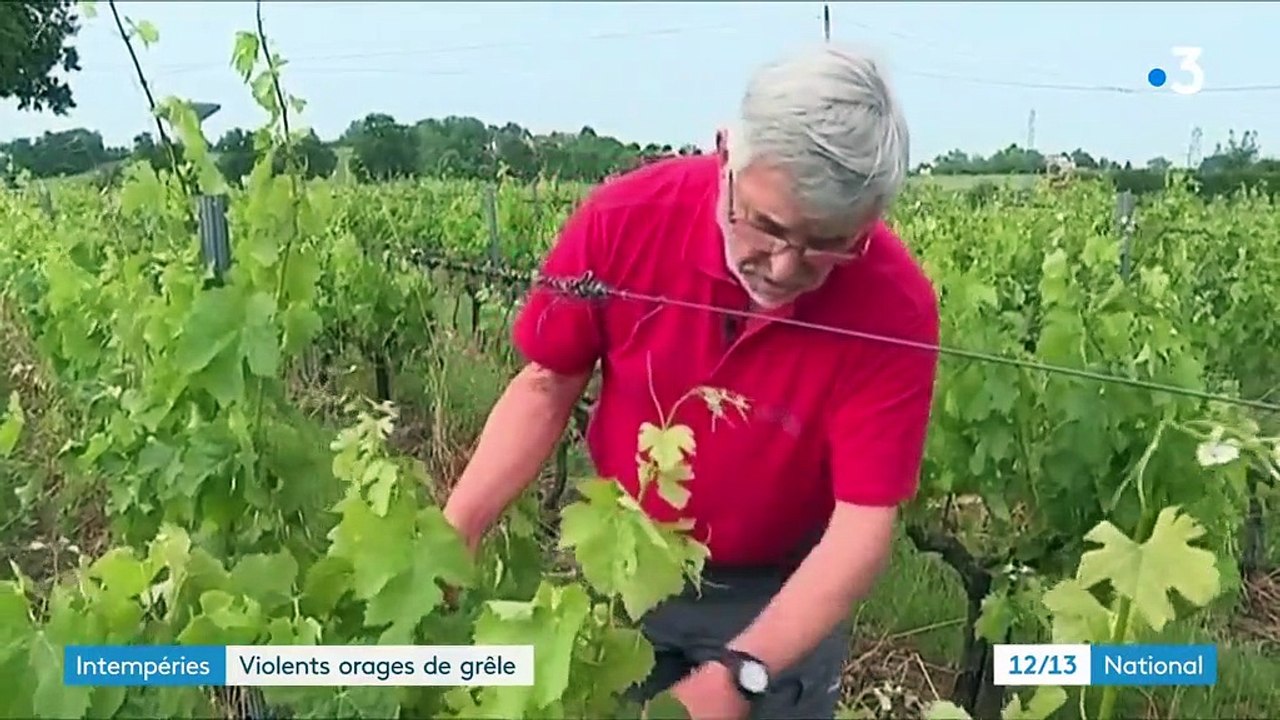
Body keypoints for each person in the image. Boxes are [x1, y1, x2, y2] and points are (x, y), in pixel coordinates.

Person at [442, 43, 939, 720]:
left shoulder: (892, 304)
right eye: (766, 226)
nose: (787, 267)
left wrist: (744, 673)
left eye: (827, 244)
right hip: (627, 569)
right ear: (726, 153)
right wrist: (459, 527)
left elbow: (862, 523)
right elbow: (546, 384)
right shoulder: (625, 219)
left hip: (780, 591)